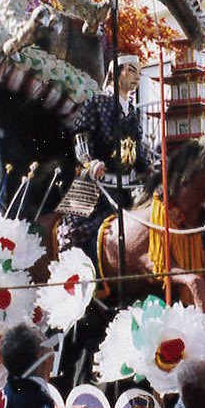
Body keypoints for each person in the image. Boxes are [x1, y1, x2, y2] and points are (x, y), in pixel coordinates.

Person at [58, 54, 151, 260]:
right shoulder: (96, 102)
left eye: (140, 73)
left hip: (126, 188)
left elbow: (136, 146)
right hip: (96, 184)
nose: (137, 77)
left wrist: (148, 167)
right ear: (116, 73)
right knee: (74, 233)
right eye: (132, 70)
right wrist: (89, 162)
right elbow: (81, 136)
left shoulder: (133, 112)